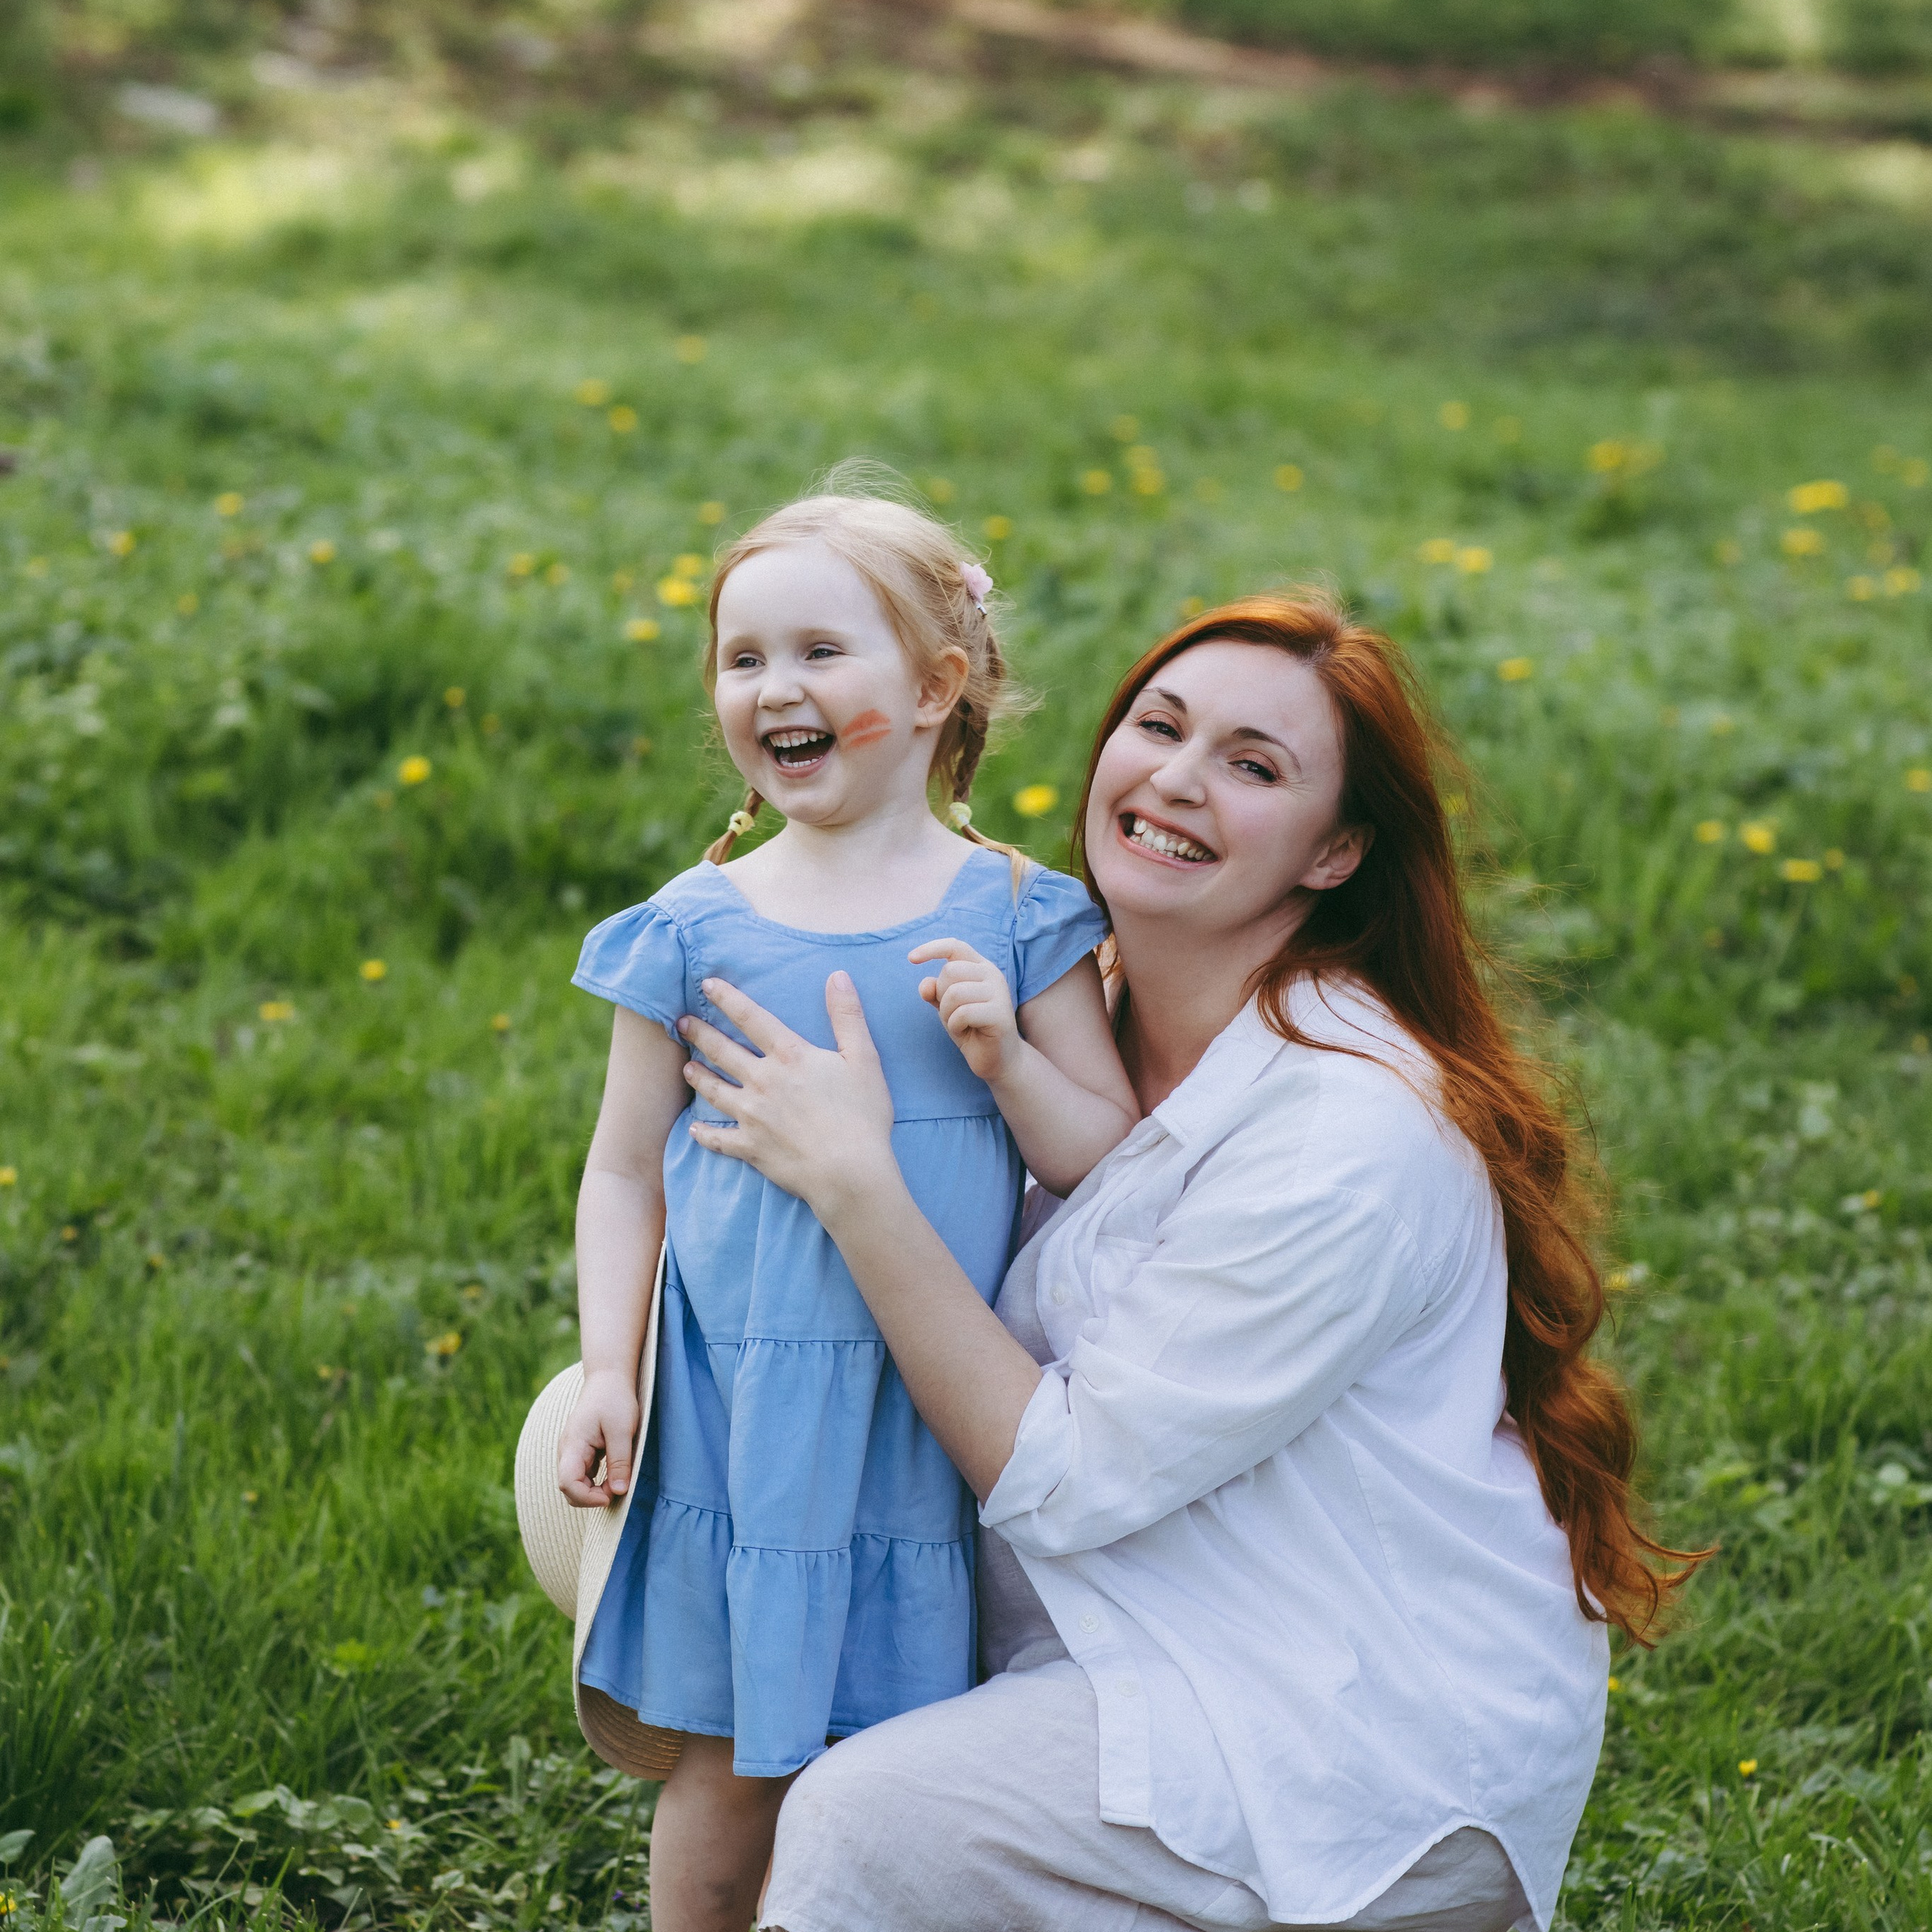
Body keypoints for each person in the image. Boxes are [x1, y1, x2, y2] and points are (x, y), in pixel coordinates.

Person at [672, 591, 1705, 1932]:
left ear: (1333, 854)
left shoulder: (1347, 1131)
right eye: (1159, 726)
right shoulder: (1052, 1024)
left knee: (869, 1822)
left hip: (1345, 1735)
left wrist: (861, 1187)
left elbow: (1068, 1477)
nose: (1176, 779)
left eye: (1253, 766)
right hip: (1137, 1643)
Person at [557, 485, 1140, 1932]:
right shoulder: (694, 926)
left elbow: (1103, 1155)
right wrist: (609, 1367)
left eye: (822, 650)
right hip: (739, 1407)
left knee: (892, 1757)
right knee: (726, 1759)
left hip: (921, 1409)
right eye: (743, 658)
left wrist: (1005, 1057)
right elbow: (624, 1167)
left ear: (940, 686)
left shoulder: (1019, 915)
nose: (775, 689)